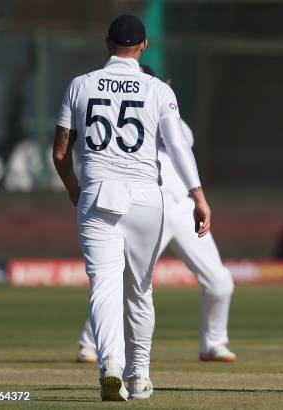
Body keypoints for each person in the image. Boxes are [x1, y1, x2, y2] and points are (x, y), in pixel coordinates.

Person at [53, 15, 210, 401]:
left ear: (108, 43)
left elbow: (60, 153)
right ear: (143, 46)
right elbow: (177, 147)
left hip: (97, 194)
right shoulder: (159, 89)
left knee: (103, 288)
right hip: (145, 198)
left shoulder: (80, 85)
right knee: (139, 291)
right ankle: (139, 376)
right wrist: (198, 196)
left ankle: (110, 365)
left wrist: (75, 189)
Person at [77, 77, 235, 364]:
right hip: (149, 209)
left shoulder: (168, 114)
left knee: (220, 280)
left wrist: (163, 102)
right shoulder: (122, 121)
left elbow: (180, 140)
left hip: (182, 209)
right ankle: (90, 343)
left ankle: (213, 343)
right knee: (126, 282)